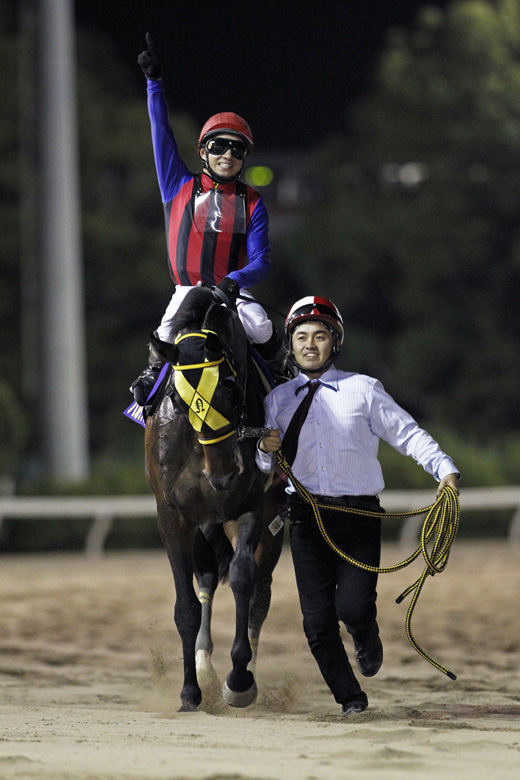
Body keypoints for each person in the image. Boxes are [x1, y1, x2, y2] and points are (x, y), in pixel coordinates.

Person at [255, 296, 460, 717]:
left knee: (353, 607)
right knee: (316, 624)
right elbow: (265, 467)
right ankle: (352, 700)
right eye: (301, 337)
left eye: (320, 336)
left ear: (335, 342)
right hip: (306, 517)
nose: (310, 345)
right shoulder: (277, 400)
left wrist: (445, 470)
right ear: (291, 344)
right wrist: (262, 448)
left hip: (360, 515)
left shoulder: (363, 389)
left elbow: (407, 434)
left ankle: (366, 633)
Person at [131, 34, 288, 405]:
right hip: (186, 291)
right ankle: (150, 397)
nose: (227, 155)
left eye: (237, 148)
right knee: (163, 338)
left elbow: (262, 262)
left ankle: (282, 387)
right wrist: (154, 84)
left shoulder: (252, 201)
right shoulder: (177, 184)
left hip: (230, 294)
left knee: (261, 326)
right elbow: (161, 132)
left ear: (244, 158)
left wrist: (234, 282)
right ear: (203, 150)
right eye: (219, 146)